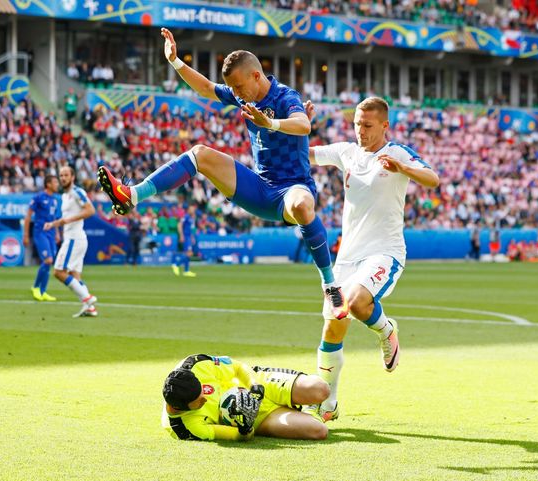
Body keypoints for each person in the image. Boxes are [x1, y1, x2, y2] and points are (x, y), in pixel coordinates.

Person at [98, 28, 347, 319]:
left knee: (302, 206)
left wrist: (271, 124)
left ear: (256, 76)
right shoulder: (245, 95)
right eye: (235, 90)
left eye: (240, 88)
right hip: (258, 186)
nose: (238, 95)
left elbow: (303, 125)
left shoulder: (284, 96)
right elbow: (206, 88)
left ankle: (330, 285)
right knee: (200, 153)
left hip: (292, 189)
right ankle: (133, 195)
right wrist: (176, 62)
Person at [306, 97, 440, 422]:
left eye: (367, 125)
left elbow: (432, 178)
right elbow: (305, 155)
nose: (360, 131)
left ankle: (385, 330)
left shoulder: (397, 153)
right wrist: (299, 128)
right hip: (347, 258)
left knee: (354, 302)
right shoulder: (347, 153)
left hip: (385, 251)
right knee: (333, 327)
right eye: (356, 124)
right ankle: (328, 402)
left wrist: (402, 169)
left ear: (384, 126)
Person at [162, 354, 329, 442]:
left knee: (320, 389)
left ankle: (312, 405)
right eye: (199, 401)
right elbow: (237, 436)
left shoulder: (194, 365)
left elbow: (237, 366)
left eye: (203, 390)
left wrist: (255, 384)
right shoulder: (185, 428)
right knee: (319, 431)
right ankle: (313, 409)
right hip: (258, 417)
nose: (205, 397)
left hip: (256, 384)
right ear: (179, 408)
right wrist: (246, 428)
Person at [42, 166, 98, 317]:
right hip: (73, 237)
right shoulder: (64, 196)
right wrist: (54, 225)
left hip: (75, 238)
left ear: (73, 177)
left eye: (66, 175)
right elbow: (66, 218)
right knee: (75, 275)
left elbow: (90, 210)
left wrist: (65, 221)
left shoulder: (77, 192)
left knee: (58, 272)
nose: (63, 178)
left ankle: (87, 298)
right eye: (61, 175)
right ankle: (89, 308)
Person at [24, 175, 60, 301]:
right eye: (55, 182)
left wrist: (57, 233)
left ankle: (43, 291)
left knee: (49, 262)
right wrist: (26, 235)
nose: (57, 184)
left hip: (51, 233)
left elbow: (54, 218)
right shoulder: (38, 197)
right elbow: (28, 216)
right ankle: (35, 287)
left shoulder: (55, 200)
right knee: (48, 260)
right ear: (48, 184)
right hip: (40, 232)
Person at [173, 204, 197, 277]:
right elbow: (179, 225)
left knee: (188, 253)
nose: (193, 210)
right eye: (191, 209)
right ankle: (176, 264)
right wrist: (181, 235)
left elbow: (191, 229)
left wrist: (192, 237)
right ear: (189, 210)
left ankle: (186, 271)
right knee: (189, 253)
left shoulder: (192, 218)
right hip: (186, 237)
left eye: (193, 209)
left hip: (189, 236)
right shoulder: (186, 216)